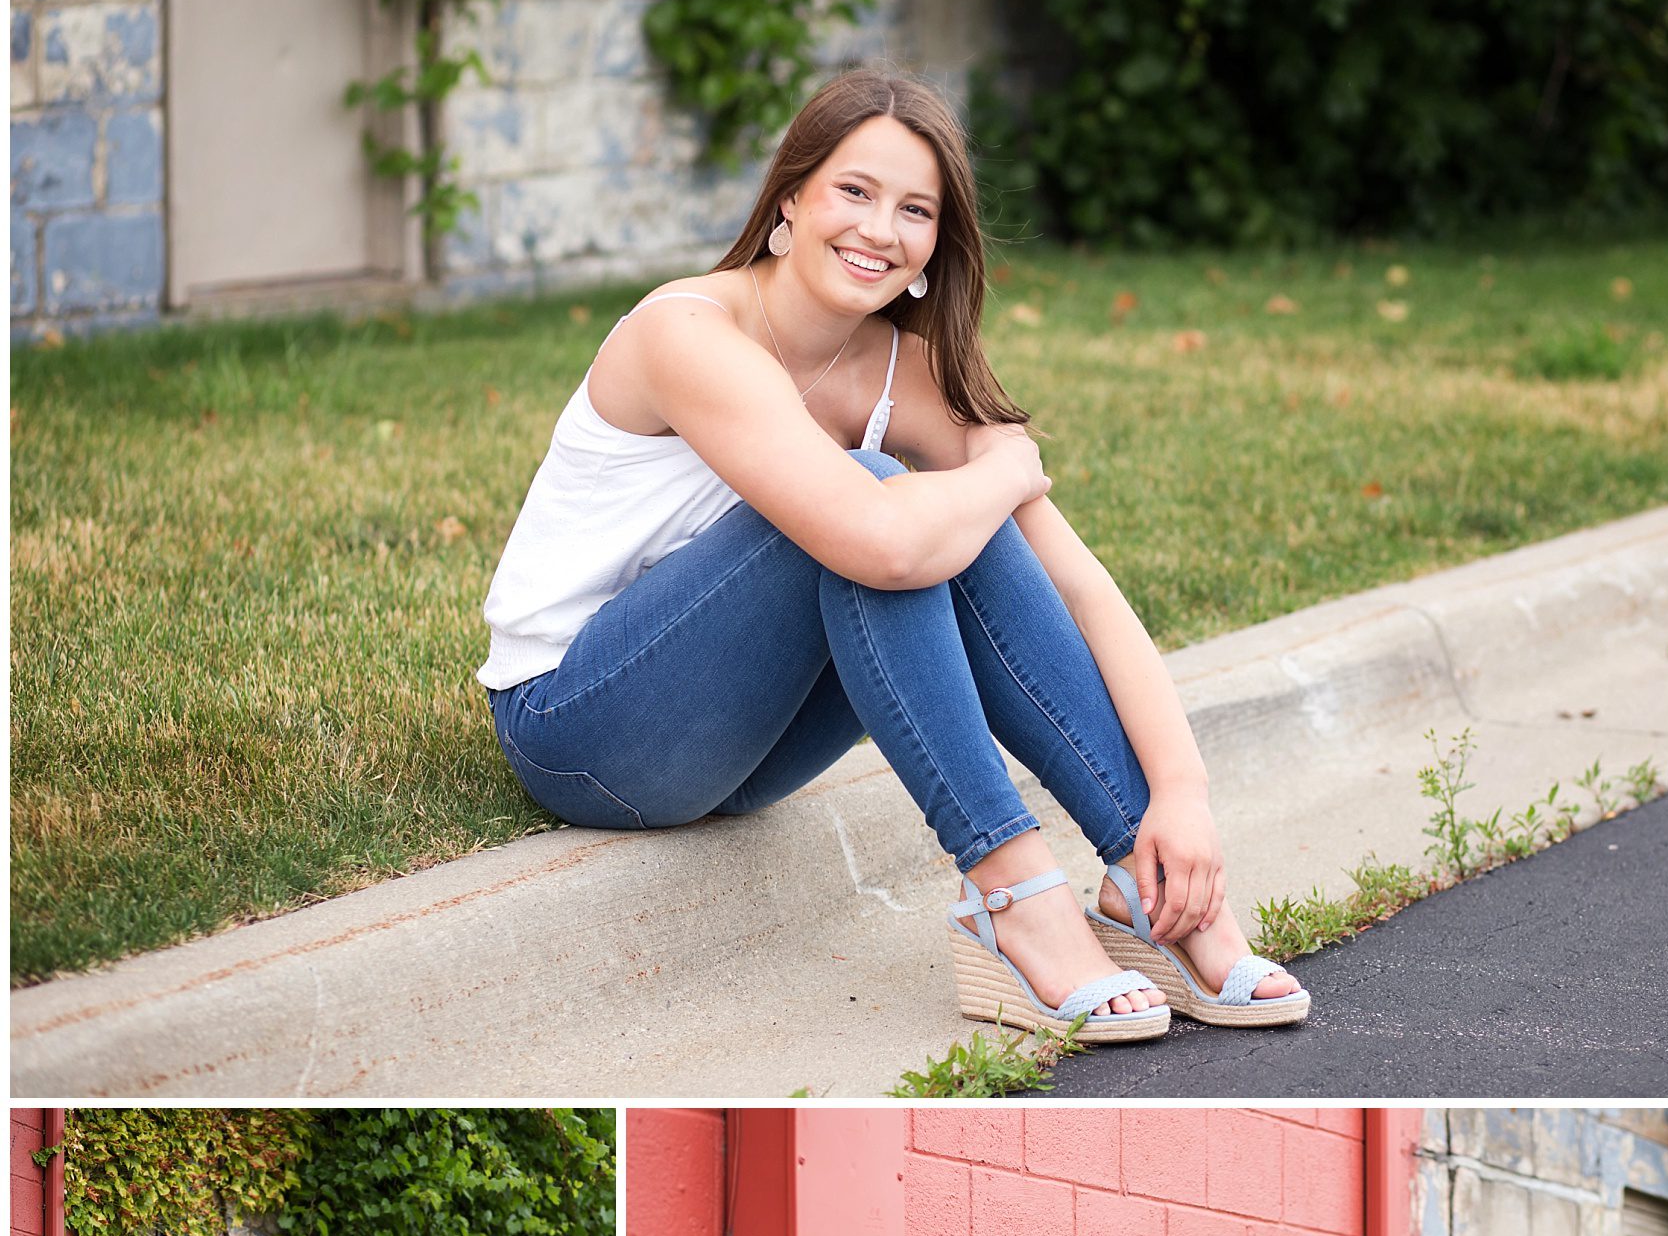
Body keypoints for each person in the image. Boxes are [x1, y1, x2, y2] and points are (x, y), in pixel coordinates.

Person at [475, 66, 1308, 1042]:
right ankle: (1015, 895)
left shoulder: (902, 371)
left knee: (943, 521)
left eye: (913, 209)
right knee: (888, 502)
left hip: (743, 752)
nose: (879, 230)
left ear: (933, 246)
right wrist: (1002, 469)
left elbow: (1074, 585)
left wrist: (1182, 793)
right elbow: (877, 536)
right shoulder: (684, 332)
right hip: (576, 726)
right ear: (790, 197)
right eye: (853, 192)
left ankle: (1149, 884)